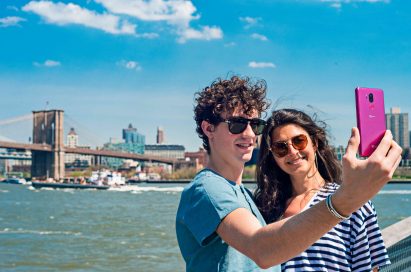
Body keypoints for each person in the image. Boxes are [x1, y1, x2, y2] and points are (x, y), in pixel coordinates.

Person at [175, 75, 402, 272]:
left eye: (254, 125)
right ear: (208, 128)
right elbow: (262, 249)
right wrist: (348, 198)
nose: (248, 134)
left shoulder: (245, 196)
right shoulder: (208, 189)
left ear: (315, 143)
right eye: (236, 124)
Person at [255, 108, 390, 271]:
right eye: (281, 147)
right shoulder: (264, 208)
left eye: (299, 141)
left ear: (314, 143)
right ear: (273, 156)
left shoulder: (354, 203)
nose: (292, 151)